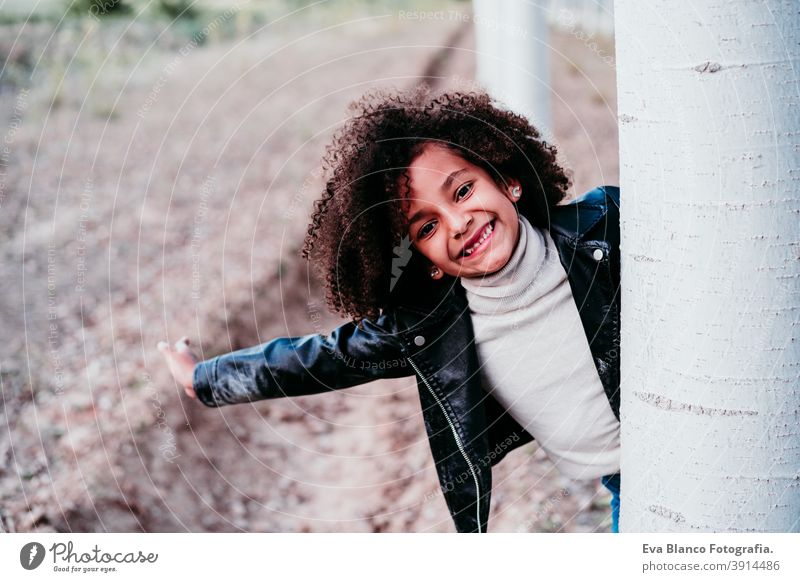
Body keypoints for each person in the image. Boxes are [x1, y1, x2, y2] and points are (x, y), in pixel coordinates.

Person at [158, 85, 622, 533]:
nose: (459, 224)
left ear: (509, 181)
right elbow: (316, 359)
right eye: (427, 228)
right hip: (630, 487)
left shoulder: (602, 230)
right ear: (427, 264)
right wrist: (205, 379)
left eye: (462, 192)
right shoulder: (431, 327)